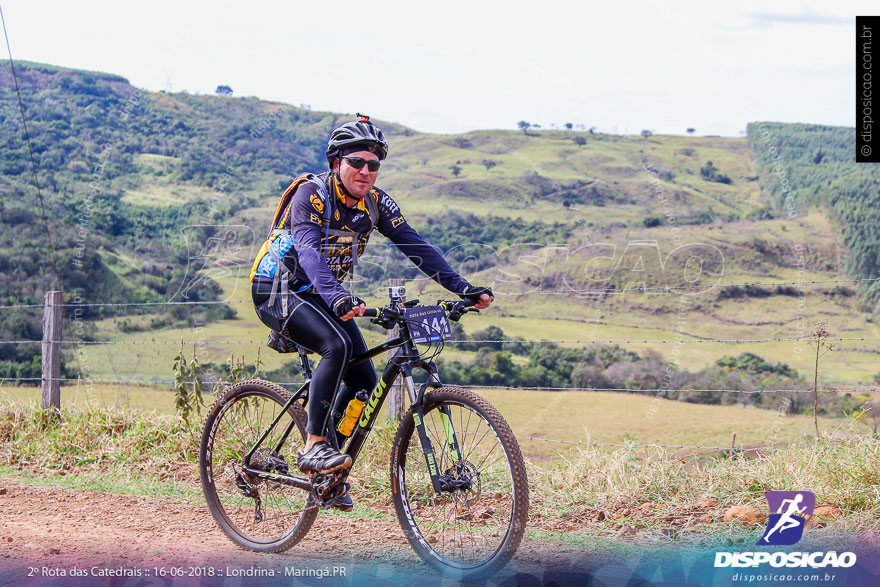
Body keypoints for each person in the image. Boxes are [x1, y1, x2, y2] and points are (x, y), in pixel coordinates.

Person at [249, 115, 493, 509]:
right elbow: (308, 251)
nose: (365, 171)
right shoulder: (311, 195)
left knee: (364, 379)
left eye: (373, 164)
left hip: (322, 294)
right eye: (356, 162)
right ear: (336, 163)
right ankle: (313, 444)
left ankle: (331, 468)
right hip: (277, 288)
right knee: (335, 347)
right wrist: (339, 297)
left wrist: (463, 287)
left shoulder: (376, 203)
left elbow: (416, 246)